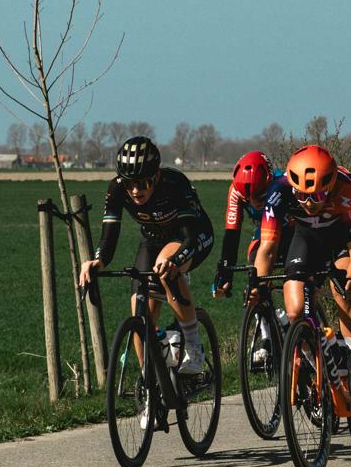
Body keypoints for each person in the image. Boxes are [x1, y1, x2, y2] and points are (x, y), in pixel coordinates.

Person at [78, 136, 215, 375]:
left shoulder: (174, 184)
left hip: (191, 236)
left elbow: (189, 237)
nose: (135, 190)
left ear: (156, 176)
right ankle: (149, 385)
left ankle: (194, 347)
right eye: (130, 183)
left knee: (165, 269)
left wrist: (176, 262)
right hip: (152, 239)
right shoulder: (117, 188)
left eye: (142, 183)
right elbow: (109, 237)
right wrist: (97, 262)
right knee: (140, 315)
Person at [256, 144, 351, 407]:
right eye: (301, 195)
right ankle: (320, 359)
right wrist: (258, 284)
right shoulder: (279, 191)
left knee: (342, 293)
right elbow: (267, 246)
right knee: (295, 310)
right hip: (306, 238)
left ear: (330, 185)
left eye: (318, 195)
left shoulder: (348, 190)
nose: (309, 203)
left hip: (343, 238)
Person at [212, 150, 284, 298]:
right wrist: (226, 273)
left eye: (260, 196)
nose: (254, 202)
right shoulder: (235, 191)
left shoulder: (280, 184)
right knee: (254, 267)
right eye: (248, 199)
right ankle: (264, 315)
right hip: (264, 230)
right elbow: (231, 235)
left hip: (288, 226)